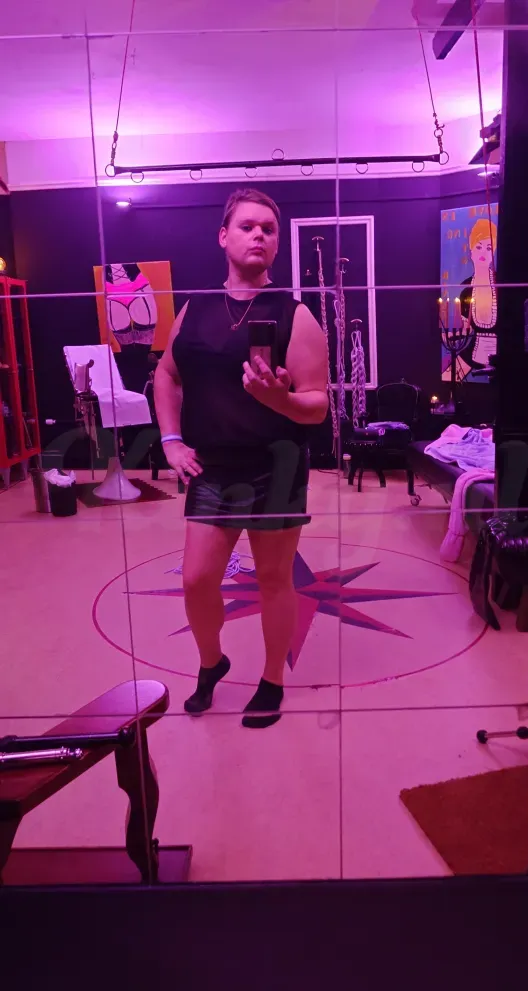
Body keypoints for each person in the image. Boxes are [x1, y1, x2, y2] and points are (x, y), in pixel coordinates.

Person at [154, 189, 329, 728]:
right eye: (248, 226)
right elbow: (166, 374)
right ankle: (213, 662)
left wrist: (280, 400)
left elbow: (318, 404)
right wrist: (171, 440)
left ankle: (272, 678)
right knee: (196, 580)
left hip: (276, 467)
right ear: (223, 236)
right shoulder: (195, 309)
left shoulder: (295, 314)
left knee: (274, 579)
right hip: (212, 467)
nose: (259, 235)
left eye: (269, 229)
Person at [459, 217, 498, 375]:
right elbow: (464, 329)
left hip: (501, 357)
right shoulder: (466, 290)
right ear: (471, 252)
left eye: (488, 248)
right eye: (479, 246)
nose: (483, 252)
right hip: (472, 356)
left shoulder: (501, 285)